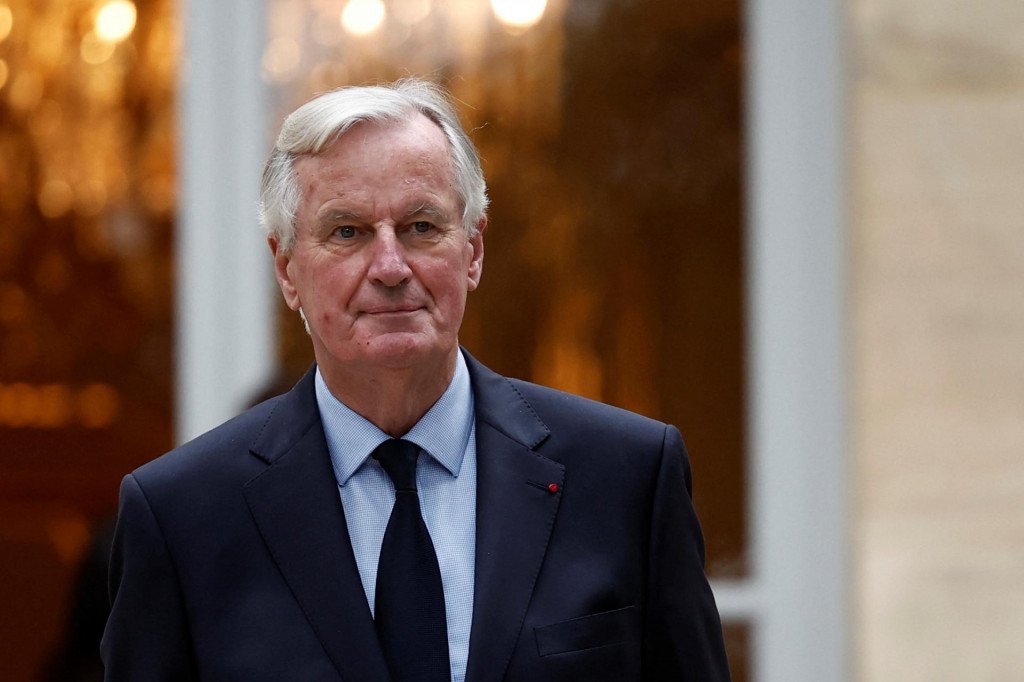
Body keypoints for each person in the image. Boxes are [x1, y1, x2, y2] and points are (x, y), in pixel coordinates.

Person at [100, 79, 731, 681]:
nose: (391, 266)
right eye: (346, 232)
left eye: (421, 227)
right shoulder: (182, 518)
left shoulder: (626, 478)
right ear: (287, 268)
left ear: (474, 251)